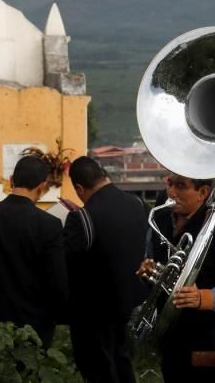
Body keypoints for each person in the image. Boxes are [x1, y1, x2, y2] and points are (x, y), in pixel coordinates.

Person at [141, 173, 215, 383]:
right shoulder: (158, 220)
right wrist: (148, 273)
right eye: (170, 184)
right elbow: (152, 261)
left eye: (181, 186)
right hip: (170, 336)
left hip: (206, 336)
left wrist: (203, 297)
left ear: (203, 193)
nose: (171, 192)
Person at [64, 156, 147, 383]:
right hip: (129, 301)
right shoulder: (136, 204)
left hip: (93, 308)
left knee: (98, 368)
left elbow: (69, 261)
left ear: (79, 187)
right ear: (103, 175)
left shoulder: (82, 216)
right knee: (122, 361)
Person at [0, 154, 68, 347]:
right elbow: (57, 280)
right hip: (33, 324)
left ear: (12, 180)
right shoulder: (49, 225)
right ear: (41, 187)